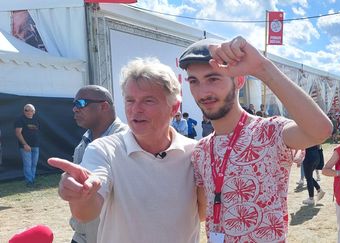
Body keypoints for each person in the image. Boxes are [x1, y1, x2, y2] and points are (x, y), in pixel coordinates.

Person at [179, 36, 332, 242]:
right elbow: (202, 211)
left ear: (239, 80)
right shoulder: (201, 151)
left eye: (213, 78)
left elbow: (320, 131)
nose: (203, 92)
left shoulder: (269, 131)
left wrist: (262, 68)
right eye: (194, 81)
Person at [48, 58, 203, 243]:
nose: (136, 109)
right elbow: (86, 213)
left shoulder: (196, 152)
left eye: (148, 101)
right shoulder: (104, 149)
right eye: (130, 100)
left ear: (174, 107)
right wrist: (81, 195)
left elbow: (202, 213)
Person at [70, 85, 128, 243]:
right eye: (74, 104)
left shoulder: (128, 142)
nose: (75, 109)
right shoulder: (83, 144)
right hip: (83, 235)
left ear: (104, 106)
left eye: (81, 103)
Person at [14, 104, 40, 186]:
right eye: (26, 110)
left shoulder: (36, 120)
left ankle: (32, 180)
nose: (29, 112)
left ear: (34, 112)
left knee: (34, 164)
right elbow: (18, 133)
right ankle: (29, 182)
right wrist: (25, 144)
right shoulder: (20, 119)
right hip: (25, 146)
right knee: (28, 165)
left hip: (35, 146)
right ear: (23, 111)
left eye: (31, 110)